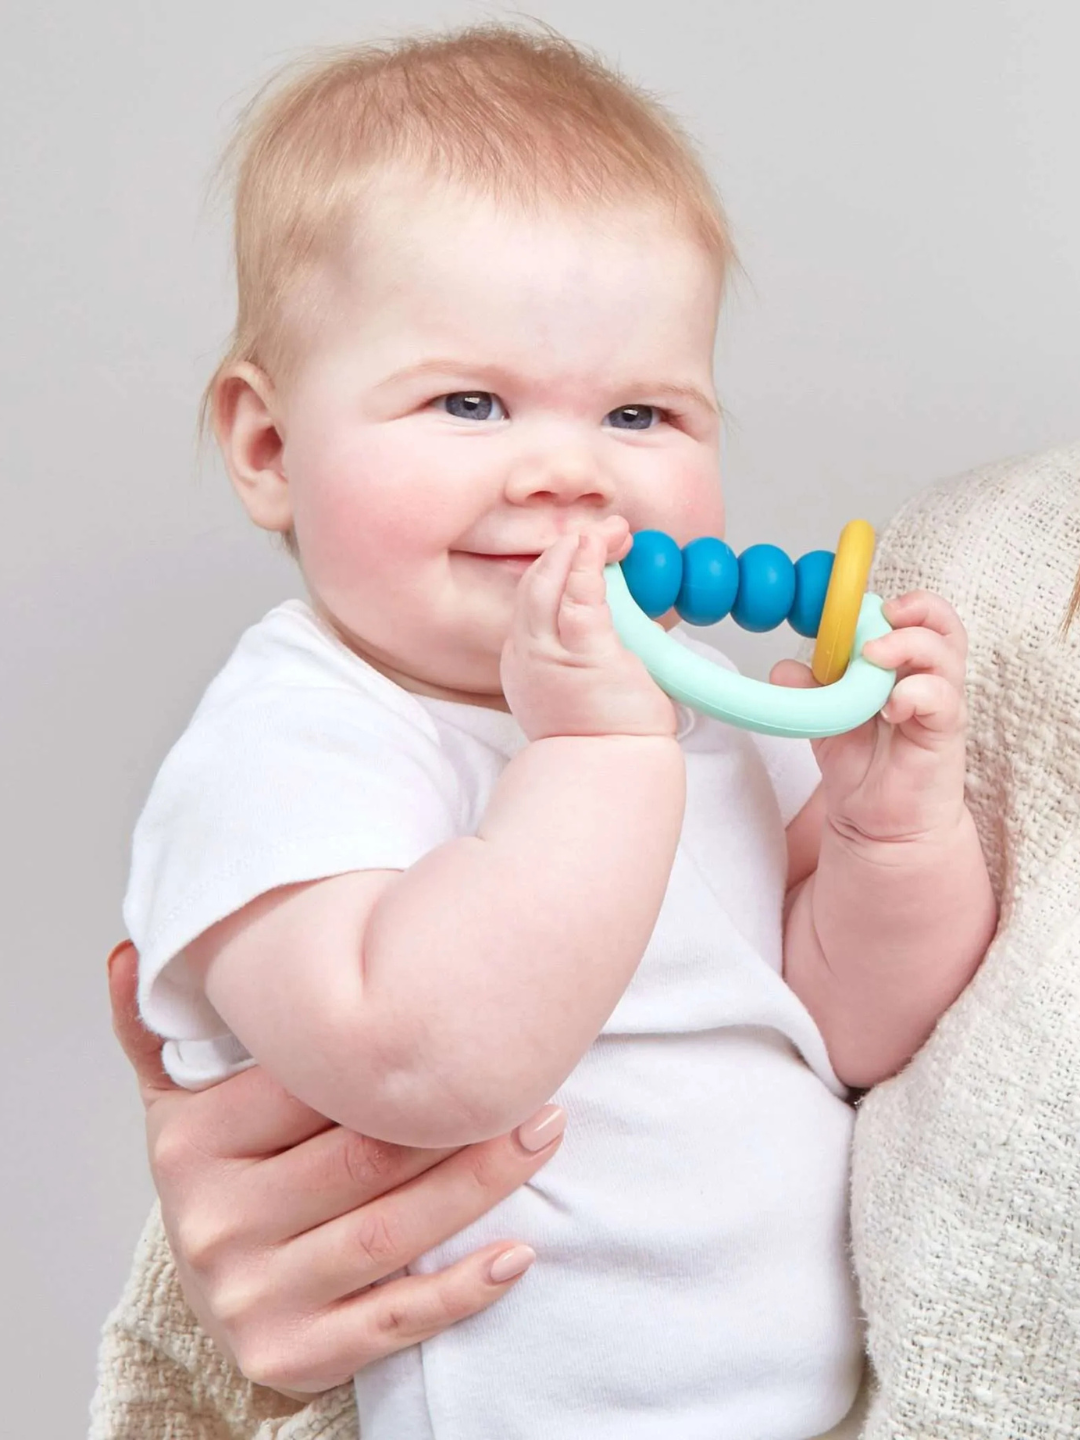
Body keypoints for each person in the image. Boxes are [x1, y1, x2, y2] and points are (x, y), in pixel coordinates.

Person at [110, 24, 997, 1440]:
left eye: (640, 412)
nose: (573, 473)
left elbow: (857, 1027)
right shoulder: (290, 744)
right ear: (269, 448)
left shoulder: (693, 700)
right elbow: (427, 1064)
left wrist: (892, 829)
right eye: (471, 402)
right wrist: (591, 756)